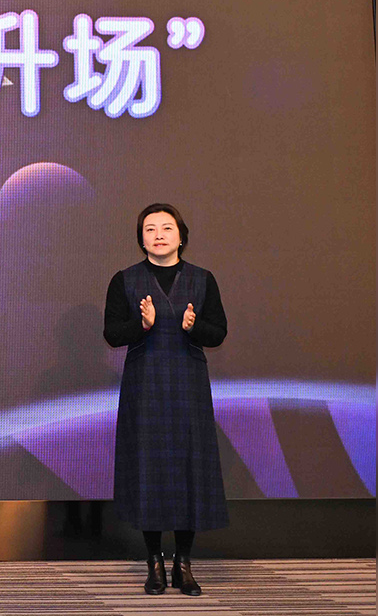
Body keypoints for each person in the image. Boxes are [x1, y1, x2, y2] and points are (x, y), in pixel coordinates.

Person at [103, 202, 229, 596]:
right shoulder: (125, 280)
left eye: (166, 228)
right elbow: (112, 334)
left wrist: (194, 326)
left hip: (189, 385)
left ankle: (183, 563)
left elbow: (218, 333)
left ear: (181, 236)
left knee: (190, 469)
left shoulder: (202, 279)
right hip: (145, 387)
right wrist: (142, 325)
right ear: (141, 239)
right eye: (150, 229)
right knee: (150, 470)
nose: (158, 235)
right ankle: (154, 561)